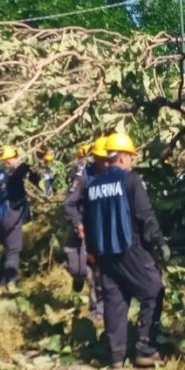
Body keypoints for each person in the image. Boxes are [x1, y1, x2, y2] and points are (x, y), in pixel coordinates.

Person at [80, 132, 168, 368]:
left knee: (115, 302)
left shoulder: (93, 185)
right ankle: (145, 349)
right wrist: (158, 244)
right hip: (130, 248)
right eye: (131, 156)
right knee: (154, 291)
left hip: (104, 253)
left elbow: (87, 220)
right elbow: (144, 216)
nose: (132, 161)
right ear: (122, 157)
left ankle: (116, 356)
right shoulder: (131, 181)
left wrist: (92, 251)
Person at [64, 136, 108, 318]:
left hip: (101, 231)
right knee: (78, 268)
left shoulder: (112, 175)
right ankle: (77, 276)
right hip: (83, 226)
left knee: (98, 271)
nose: (106, 163)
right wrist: (78, 223)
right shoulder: (84, 176)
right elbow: (69, 203)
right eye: (102, 159)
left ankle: (98, 310)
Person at [0, 146, 41, 286]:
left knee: (7, 247)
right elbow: (20, 175)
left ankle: (2, 279)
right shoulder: (12, 174)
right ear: (8, 160)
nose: (17, 160)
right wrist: (28, 167)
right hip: (10, 214)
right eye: (15, 157)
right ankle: (10, 282)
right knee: (14, 249)